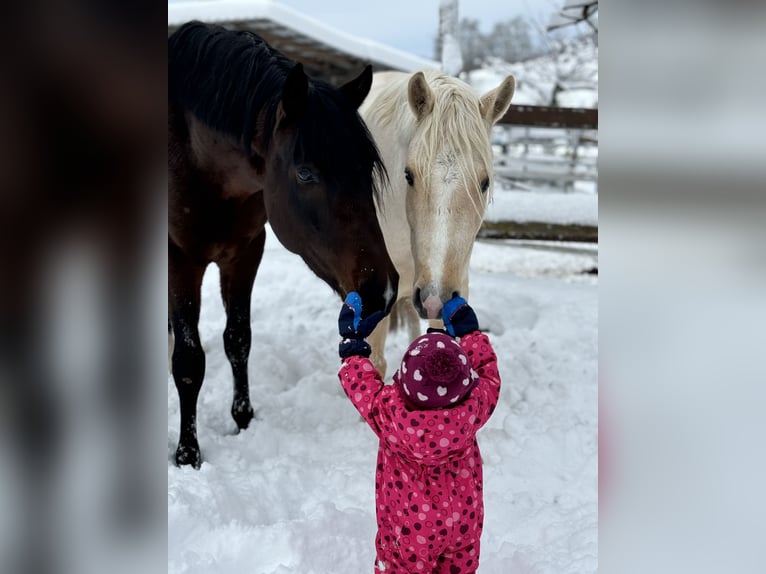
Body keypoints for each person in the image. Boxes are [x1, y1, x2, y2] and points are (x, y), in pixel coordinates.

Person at [337, 292, 502, 574]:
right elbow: (488, 373)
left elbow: (360, 382)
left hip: (410, 528)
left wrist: (353, 344)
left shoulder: (390, 415)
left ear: (402, 382)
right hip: (463, 523)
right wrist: (469, 334)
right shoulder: (473, 407)